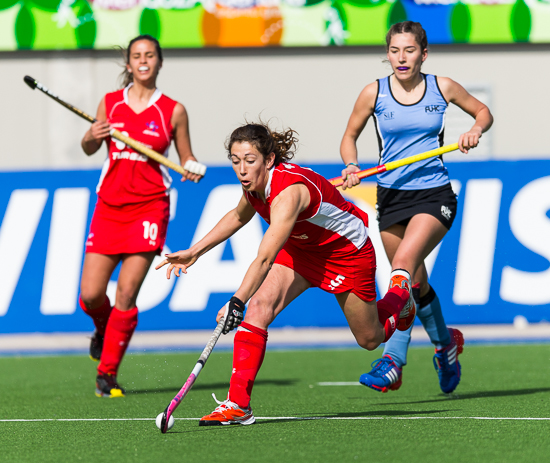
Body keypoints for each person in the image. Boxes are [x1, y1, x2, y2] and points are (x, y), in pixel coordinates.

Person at [156, 122, 417, 426]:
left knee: (370, 338)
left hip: (345, 253)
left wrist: (236, 300)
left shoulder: (287, 193)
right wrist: (195, 251)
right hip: (301, 250)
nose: (241, 169)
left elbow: (265, 257)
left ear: (268, 160)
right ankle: (238, 405)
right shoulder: (253, 185)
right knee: (259, 309)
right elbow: (238, 215)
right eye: (235, 161)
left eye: (249, 161)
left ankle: (402, 297)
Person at [339, 21, 493, 394]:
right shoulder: (373, 93)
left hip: (433, 194)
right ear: (387, 54)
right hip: (390, 197)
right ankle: (445, 344)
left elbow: (483, 112)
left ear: (423, 54)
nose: (401, 58)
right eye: (394, 51)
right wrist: (351, 165)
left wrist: (475, 130)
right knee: (415, 284)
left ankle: (393, 359)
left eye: (409, 51)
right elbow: (349, 137)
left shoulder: (442, 87)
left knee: (402, 267)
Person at [78, 34, 205, 398]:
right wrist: (92, 134)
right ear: (129, 64)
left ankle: (107, 374)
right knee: (90, 295)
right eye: (137, 56)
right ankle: (104, 330)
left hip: (149, 207)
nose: (143, 60)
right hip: (110, 207)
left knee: (126, 294)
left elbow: (186, 158)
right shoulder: (110, 103)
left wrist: (192, 166)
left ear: (159, 62)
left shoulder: (173, 110)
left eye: (150, 55)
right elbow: (89, 149)